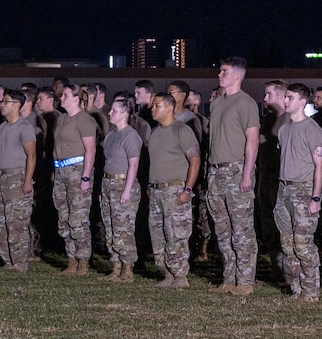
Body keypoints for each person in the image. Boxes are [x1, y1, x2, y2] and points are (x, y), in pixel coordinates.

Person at [205, 58, 262, 293]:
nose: (220, 74)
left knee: (242, 229)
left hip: (236, 170)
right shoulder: (217, 103)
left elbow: (253, 140)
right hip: (215, 172)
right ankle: (229, 279)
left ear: (237, 75)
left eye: (225, 71)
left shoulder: (246, 103)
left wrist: (247, 174)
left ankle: (246, 281)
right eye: (220, 70)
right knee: (222, 229)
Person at [272, 83, 322, 301]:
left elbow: (320, 165)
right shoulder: (284, 129)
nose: (285, 101)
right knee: (288, 243)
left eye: (290, 98)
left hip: (304, 189)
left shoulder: (312, 130)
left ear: (302, 102)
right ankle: (296, 288)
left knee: (303, 243)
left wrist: (315, 197)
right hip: (284, 189)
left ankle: (311, 290)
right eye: (285, 97)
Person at [144, 91, 201, 287]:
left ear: (169, 108)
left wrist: (187, 189)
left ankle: (180, 276)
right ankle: (167, 273)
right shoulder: (155, 132)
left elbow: (195, 159)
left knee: (176, 233)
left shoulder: (182, 131)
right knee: (157, 233)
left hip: (174, 190)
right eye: (153, 105)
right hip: (156, 190)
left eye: (156, 105)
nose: (153, 109)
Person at [48, 85, 98, 274]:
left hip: (77, 171)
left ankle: (83, 260)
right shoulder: (62, 118)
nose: (61, 98)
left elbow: (91, 150)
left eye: (66, 95)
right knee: (64, 217)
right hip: (61, 171)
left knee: (78, 218)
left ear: (76, 98)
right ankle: (71, 260)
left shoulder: (84, 120)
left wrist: (85, 176)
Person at [99, 94, 144, 281]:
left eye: (114, 111)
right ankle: (116, 266)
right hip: (108, 183)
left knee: (123, 228)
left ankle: (127, 269)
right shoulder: (111, 135)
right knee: (110, 227)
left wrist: (127, 190)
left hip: (123, 183)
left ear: (124, 113)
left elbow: (134, 165)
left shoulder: (131, 136)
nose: (110, 113)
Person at [0, 94, 37, 271]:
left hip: (17, 177)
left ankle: (19, 262)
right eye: (2, 101)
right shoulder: (2, 127)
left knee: (16, 222)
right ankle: (8, 261)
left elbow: (31, 155)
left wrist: (27, 181)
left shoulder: (24, 127)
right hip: (1, 178)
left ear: (17, 105)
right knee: (1, 222)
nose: (2, 104)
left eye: (6, 102)